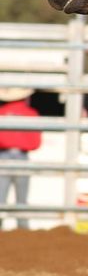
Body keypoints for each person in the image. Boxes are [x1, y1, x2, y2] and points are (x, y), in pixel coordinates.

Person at [0, 87, 41, 229]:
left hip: (3, 157)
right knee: (22, 199)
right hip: (22, 157)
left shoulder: (2, 113)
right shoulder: (31, 114)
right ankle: (23, 230)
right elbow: (35, 143)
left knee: (1, 198)